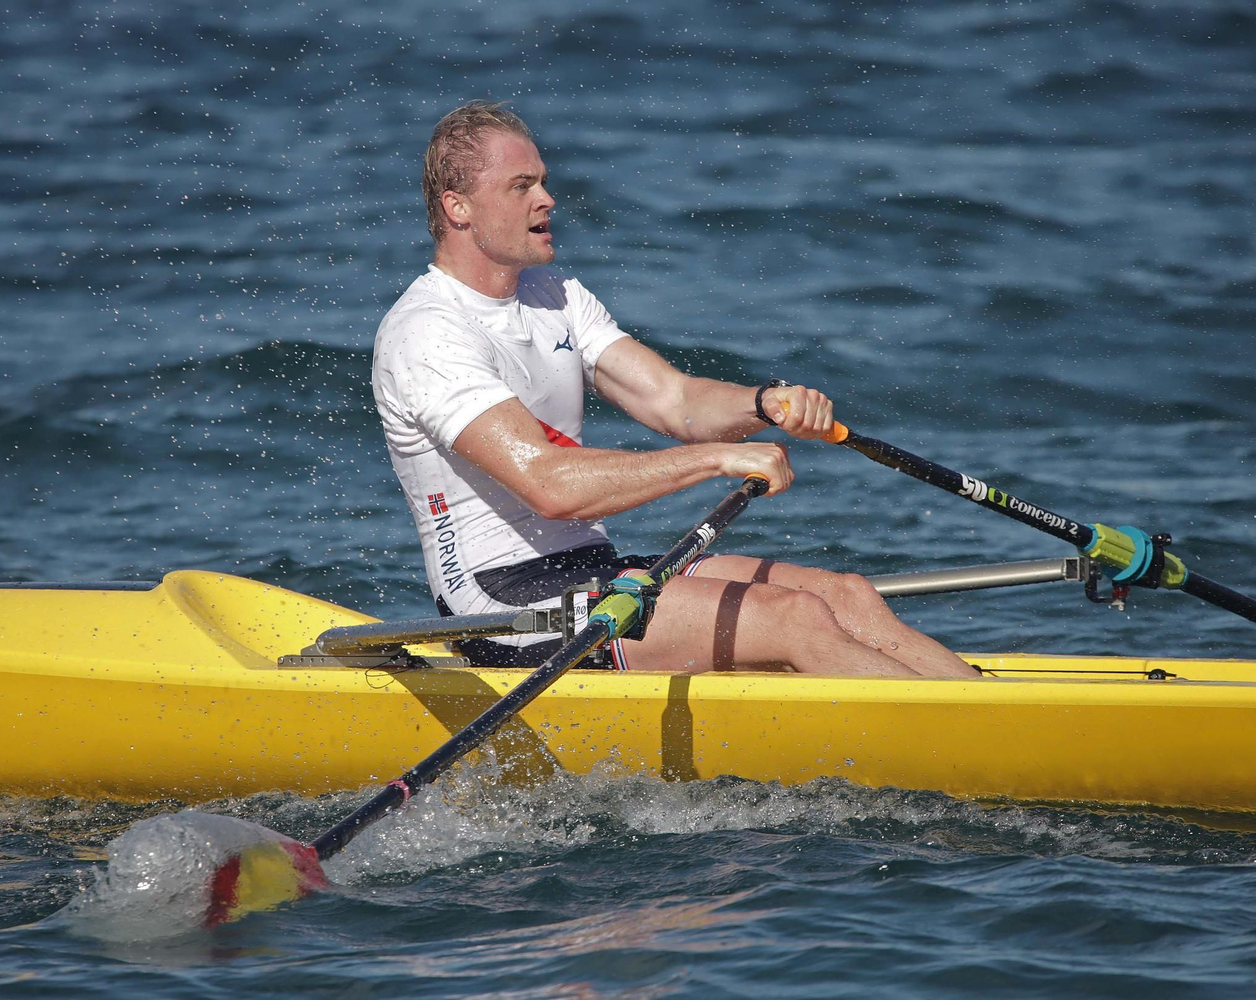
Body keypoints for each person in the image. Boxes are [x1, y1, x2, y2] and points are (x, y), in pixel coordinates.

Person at [372, 101, 974, 678]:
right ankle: (967, 742)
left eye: (543, 182)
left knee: (844, 596)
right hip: (506, 609)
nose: (547, 199)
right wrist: (718, 459)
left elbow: (675, 401)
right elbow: (550, 485)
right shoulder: (427, 332)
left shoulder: (554, 295)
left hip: (595, 574)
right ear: (458, 208)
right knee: (794, 619)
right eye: (521, 186)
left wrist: (764, 404)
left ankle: (985, 710)